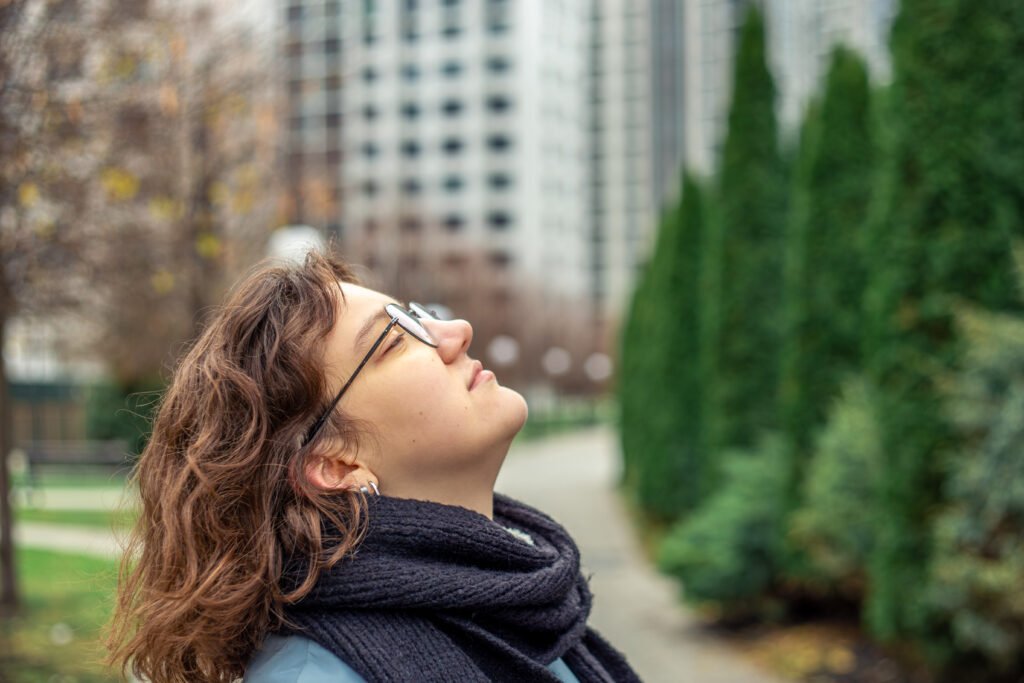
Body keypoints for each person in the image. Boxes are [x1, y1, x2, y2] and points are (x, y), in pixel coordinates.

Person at [107, 251, 641, 683]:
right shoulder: (315, 676)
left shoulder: (531, 609)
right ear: (335, 464)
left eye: (419, 316)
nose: (456, 330)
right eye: (396, 339)